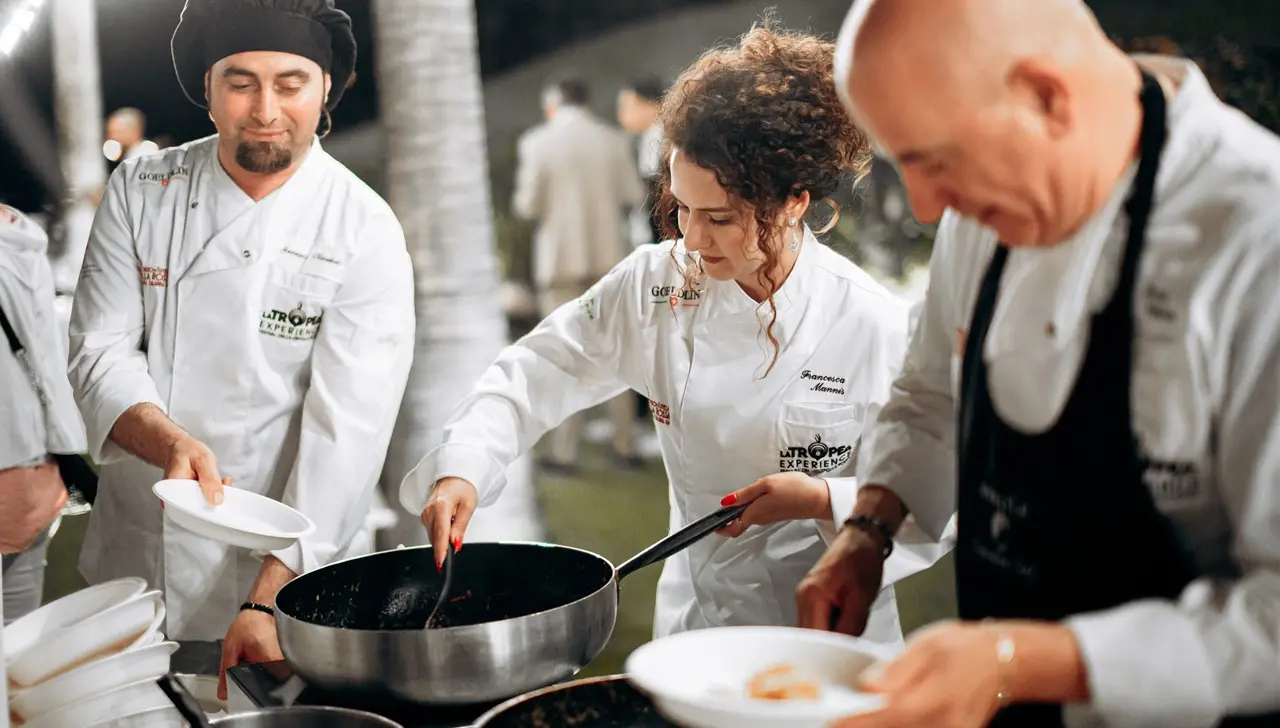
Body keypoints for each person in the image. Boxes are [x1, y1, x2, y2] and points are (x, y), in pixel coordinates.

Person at [799, 1, 1280, 726]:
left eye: (936, 161)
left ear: (1047, 97)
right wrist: (867, 531)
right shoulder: (987, 207)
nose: (929, 209)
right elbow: (931, 392)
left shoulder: (1256, 238)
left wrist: (1019, 662)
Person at [402, 22, 951, 644]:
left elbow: (935, 499)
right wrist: (464, 466)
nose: (690, 239)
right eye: (681, 208)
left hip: (831, 636)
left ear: (794, 202)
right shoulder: (656, 284)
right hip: (695, 629)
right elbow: (540, 369)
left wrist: (824, 499)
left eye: (718, 218)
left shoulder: (868, 321)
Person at [66, 0, 415, 700]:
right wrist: (168, 442)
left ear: (326, 90)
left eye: (290, 84)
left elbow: (347, 430)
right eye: (240, 81)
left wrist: (268, 599)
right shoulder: (143, 188)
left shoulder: (363, 227)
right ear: (207, 87)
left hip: (282, 560)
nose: (264, 109)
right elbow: (97, 349)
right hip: (141, 547)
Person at [513, 74, 648, 474]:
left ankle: (565, 454)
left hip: (559, 263)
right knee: (615, 354)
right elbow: (633, 196)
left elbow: (527, 206)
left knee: (563, 357)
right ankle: (624, 446)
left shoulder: (538, 141)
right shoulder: (613, 139)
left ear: (554, 103)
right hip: (609, 260)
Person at [0, 203, 84, 623]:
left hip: (27, 484)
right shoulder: (18, 235)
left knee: (16, 658)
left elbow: (41, 359)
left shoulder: (18, 234)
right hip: (24, 482)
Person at [617, 76, 667, 248]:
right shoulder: (645, 138)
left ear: (650, 104)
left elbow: (655, 191)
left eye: (627, 107)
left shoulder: (663, 137)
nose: (621, 116)